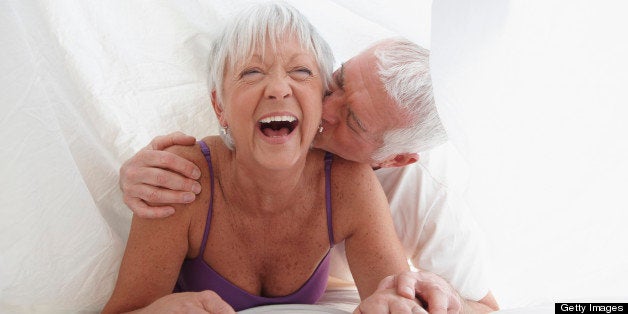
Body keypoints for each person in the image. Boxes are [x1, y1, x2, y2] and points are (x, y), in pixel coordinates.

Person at [119, 38, 499, 313]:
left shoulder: (422, 191)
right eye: (337, 83)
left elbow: (485, 307)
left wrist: (448, 302)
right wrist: (132, 172)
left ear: (394, 159)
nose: (323, 108)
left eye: (352, 121)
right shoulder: (283, 102)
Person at [104, 2, 422, 313]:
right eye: (252, 72)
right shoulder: (181, 177)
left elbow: (395, 299)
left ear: (320, 98)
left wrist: (394, 305)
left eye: (300, 71)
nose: (278, 88)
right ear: (219, 106)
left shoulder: (348, 181)